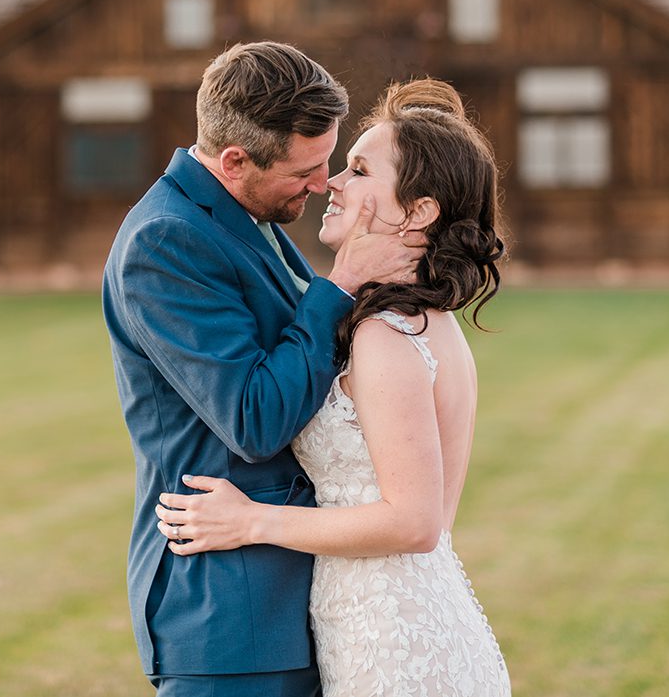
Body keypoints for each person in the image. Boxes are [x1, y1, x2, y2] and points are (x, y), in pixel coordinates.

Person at [153, 78, 512, 696]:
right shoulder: (428, 324)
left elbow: (417, 523)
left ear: (419, 211)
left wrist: (250, 522)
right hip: (393, 617)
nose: (333, 184)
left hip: (391, 643)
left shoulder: (386, 336)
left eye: (358, 169)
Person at [102, 41, 426, 697]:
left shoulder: (246, 215)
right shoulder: (166, 241)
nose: (322, 182)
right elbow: (253, 418)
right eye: (305, 169)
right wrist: (341, 285)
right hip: (231, 614)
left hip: (289, 599)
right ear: (234, 160)